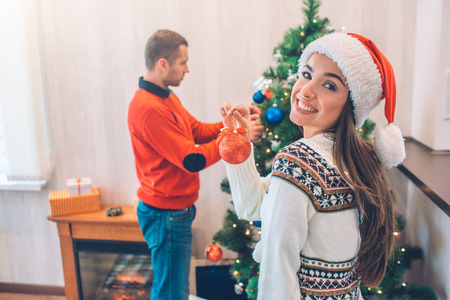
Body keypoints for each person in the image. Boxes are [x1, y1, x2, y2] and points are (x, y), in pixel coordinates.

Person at [220, 32, 406, 299]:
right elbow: (255, 205)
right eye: (307, 74)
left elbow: (278, 272)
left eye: (329, 86)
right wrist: (239, 147)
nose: (306, 89)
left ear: (350, 105)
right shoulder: (354, 161)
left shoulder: (299, 162)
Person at [127, 29, 263, 300]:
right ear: (163, 63)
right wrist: (237, 138)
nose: (187, 69)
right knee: (171, 292)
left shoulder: (165, 96)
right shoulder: (149, 108)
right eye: (182, 62)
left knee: (173, 287)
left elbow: (197, 131)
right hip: (165, 214)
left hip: (175, 211)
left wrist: (234, 122)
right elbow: (192, 159)